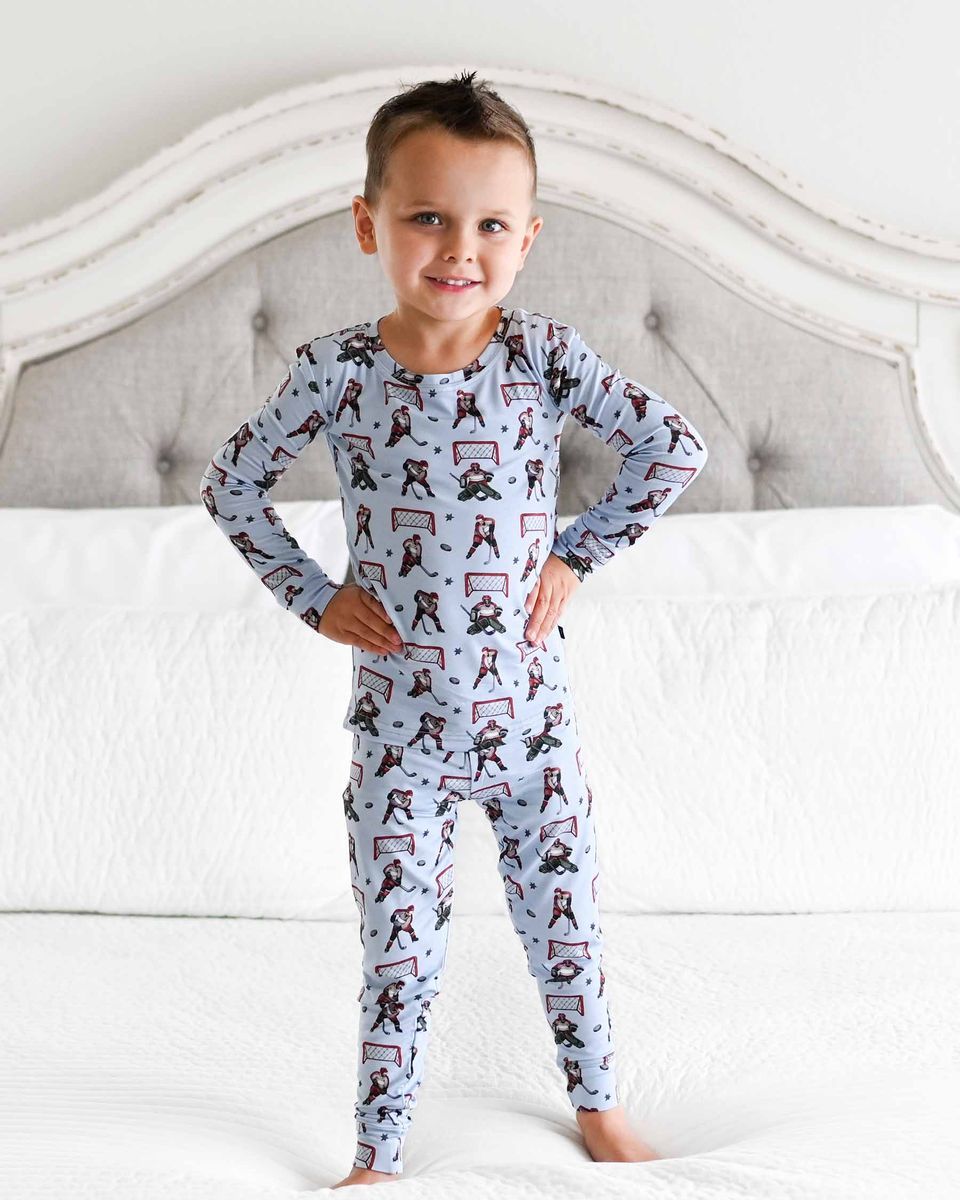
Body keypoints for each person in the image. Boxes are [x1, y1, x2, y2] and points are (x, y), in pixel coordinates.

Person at [200, 70, 709, 1188]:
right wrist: (314, 595)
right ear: (368, 222)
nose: (458, 249)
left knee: (566, 932)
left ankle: (600, 1106)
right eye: (427, 216)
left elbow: (674, 447)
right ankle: (378, 1154)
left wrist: (575, 555)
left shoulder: (544, 358)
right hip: (402, 740)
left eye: (489, 225)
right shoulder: (336, 374)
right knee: (400, 952)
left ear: (527, 237)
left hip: (531, 729)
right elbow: (230, 486)